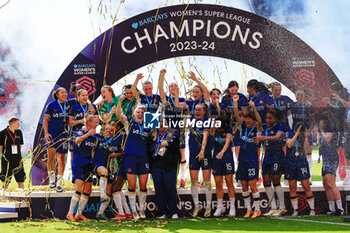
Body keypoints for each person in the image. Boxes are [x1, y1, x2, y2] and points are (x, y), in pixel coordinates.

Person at [116, 95, 150, 220]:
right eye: (138, 112)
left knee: (143, 185)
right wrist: (120, 101)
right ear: (134, 114)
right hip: (130, 158)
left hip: (144, 158)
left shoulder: (148, 125)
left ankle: (142, 210)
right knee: (131, 185)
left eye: (142, 112)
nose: (140, 114)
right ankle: (134, 211)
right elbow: (119, 114)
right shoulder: (130, 123)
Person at [233, 96, 263, 218]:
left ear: (253, 120)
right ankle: (248, 209)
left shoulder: (257, 129)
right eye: (245, 119)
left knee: (252, 184)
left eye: (249, 119)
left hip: (252, 161)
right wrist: (235, 104)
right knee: (244, 185)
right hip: (242, 161)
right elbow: (236, 117)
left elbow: (260, 122)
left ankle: (257, 209)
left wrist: (254, 108)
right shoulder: (243, 127)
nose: (246, 121)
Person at [66, 114, 99, 221]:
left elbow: (93, 150)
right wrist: (88, 133)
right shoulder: (81, 131)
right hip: (79, 164)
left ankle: (79, 214)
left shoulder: (95, 136)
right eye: (96, 122)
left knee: (88, 189)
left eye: (98, 122)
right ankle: (70, 213)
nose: (97, 124)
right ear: (89, 123)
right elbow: (77, 140)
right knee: (79, 189)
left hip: (88, 165)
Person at [158, 69, 187, 188]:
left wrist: (177, 94)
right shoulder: (165, 100)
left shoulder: (182, 100)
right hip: (168, 131)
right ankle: (167, 178)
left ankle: (183, 179)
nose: (173, 87)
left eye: (175, 85)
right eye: (171, 86)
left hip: (180, 131)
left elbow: (179, 106)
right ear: (169, 89)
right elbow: (160, 90)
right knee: (164, 153)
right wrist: (161, 76)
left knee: (182, 154)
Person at [255, 109, 286, 217]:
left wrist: (263, 137)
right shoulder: (264, 126)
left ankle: (282, 207)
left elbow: (277, 137)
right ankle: (273, 207)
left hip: (277, 156)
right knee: (266, 181)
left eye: (270, 118)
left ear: (276, 119)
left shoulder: (280, 127)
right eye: (267, 118)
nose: (268, 120)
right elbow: (258, 122)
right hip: (267, 156)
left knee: (276, 181)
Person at [149, 119, 181, 219]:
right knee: (159, 190)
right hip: (156, 166)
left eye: (164, 122)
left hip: (169, 166)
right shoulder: (151, 135)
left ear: (167, 124)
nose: (161, 125)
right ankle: (162, 213)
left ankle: (173, 212)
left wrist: (167, 144)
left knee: (171, 189)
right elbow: (149, 149)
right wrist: (158, 144)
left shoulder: (173, 134)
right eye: (159, 122)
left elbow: (176, 148)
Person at [188, 103, 213, 217]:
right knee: (194, 181)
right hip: (193, 154)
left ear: (204, 111)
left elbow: (205, 136)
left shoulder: (207, 121)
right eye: (196, 110)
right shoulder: (191, 121)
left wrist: (202, 150)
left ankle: (208, 207)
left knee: (207, 181)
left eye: (199, 110)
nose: (197, 112)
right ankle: (196, 206)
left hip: (205, 154)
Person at [322, 82, 350, 185]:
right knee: (337, 149)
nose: (331, 93)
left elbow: (347, 106)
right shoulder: (338, 96)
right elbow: (337, 107)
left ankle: (344, 175)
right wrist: (329, 102)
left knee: (343, 150)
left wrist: (339, 98)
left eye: (332, 91)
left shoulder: (345, 94)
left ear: (338, 90)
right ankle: (336, 174)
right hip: (339, 126)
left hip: (344, 126)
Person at [285, 122, 315, 216]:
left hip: (302, 163)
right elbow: (289, 145)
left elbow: (306, 149)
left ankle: (312, 209)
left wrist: (305, 136)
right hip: (291, 163)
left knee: (306, 186)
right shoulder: (289, 133)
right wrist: (296, 134)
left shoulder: (305, 136)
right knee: (292, 187)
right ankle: (295, 210)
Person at [43, 87, 70, 192]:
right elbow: (45, 120)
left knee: (61, 158)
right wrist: (46, 133)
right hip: (52, 135)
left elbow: (81, 99)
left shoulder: (69, 104)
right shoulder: (51, 105)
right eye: (62, 92)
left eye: (65, 92)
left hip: (63, 135)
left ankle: (59, 183)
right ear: (57, 95)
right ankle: (52, 180)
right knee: (51, 156)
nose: (64, 94)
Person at [319, 111, 344, 215]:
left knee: (330, 183)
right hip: (327, 156)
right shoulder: (333, 126)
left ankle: (340, 208)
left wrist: (321, 130)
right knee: (326, 183)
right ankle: (332, 208)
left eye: (320, 121)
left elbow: (328, 138)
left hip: (330, 157)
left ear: (324, 120)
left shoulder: (330, 127)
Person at [93, 124, 121, 220]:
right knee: (104, 172)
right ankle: (102, 195)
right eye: (106, 129)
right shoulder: (99, 137)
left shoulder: (114, 140)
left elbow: (114, 153)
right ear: (103, 130)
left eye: (111, 129)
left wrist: (121, 153)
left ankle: (100, 213)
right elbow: (90, 134)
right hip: (98, 163)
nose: (108, 131)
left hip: (110, 167)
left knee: (109, 191)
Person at [211, 112, 236, 217]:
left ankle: (232, 207)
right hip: (216, 160)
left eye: (220, 128)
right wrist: (212, 124)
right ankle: (220, 206)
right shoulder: (214, 128)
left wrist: (222, 152)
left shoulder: (228, 129)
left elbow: (227, 142)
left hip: (227, 158)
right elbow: (211, 133)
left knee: (229, 181)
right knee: (218, 183)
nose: (219, 130)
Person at [288, 87, 315, 184]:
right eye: (298, 95)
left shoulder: (308, 106)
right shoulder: (292, 105)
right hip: (295, 133)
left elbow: (313, 120)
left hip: (305, 133)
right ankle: (293, 177)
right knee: (295, 154)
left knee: (308, 154)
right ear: (295, 95)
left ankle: (309, 177)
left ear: (304, 96)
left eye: (301, 95)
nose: (299, 97)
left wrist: (309, 131)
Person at [109, 121, 133, 220]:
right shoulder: (114, 137)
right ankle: (127, 212)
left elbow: (127, 151)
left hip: (124, 164)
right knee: (117, 189)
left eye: (113, 125)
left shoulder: (123, 136)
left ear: (118, 127)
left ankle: (121, 214)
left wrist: (116, 155)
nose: (111, 127)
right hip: (119, 165)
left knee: (115, 189)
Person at [69, 89, 97, 162]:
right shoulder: (75, 108)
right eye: (83, 95)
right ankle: (73, 172)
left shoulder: (92, 106)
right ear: (78, 97)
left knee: (89, 153)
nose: (85, 97)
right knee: (74, 154)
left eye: (86, 95)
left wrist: (90, 104)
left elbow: (95, 116)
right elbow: (70, 122)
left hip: (89, 133)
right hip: (76, 133)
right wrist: (80, 121)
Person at [0, 117, 25, 189]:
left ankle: (22, 196)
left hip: (18, 159)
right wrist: (6, 155)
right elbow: (1, 148)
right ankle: (3, 195)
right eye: (17, 124)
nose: (19, 125)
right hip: (7, 160)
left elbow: (20, 145)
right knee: (6, 179)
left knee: (20, 178)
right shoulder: (2, 133)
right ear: (12, 124)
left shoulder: (19, 132)